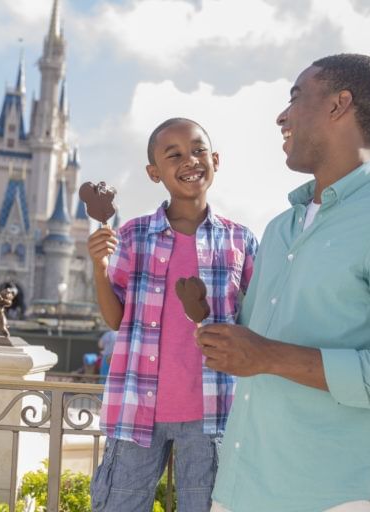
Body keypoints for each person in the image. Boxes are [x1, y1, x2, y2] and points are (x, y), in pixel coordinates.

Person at [196, 54, 370, 512]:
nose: (281, 115)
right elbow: (252, 345)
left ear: (340, 105)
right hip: (242, 490)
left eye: (295, 98)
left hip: (344, 498)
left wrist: (268, 356)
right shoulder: (280, 229)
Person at [87, 117, 258, 512]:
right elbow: (116, 320)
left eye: (198, 150)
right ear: (154, 172)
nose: (190, 160)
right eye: (174, 154)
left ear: (215, 159)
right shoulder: (132, 234)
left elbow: (257, 318)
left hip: (213, 413)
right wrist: (99, 267)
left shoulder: (239, 239)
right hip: (136, 410)